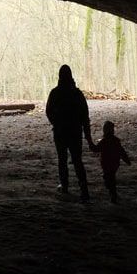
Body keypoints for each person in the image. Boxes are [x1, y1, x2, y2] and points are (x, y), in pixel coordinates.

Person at [45, 64, 93, 202]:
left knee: (62, 159)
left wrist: (57, 123)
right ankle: (84, 190)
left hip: (60, 132)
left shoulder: (55, 93)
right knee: (77, 160)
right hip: (75, 132)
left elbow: (48, 112)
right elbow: (85, 116)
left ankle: (65, 186)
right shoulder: (77, 94)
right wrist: (88, 137)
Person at [90, 121, 132, 204]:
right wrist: (127, 161)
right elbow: (122, 151)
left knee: (108, 177)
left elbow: (96, 149)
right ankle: (112, 192)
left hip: (106, 163)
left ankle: (112, 192)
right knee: (111, 176)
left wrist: (90, 143)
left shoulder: (104, 141)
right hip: (115, 163)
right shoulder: (116, 141)